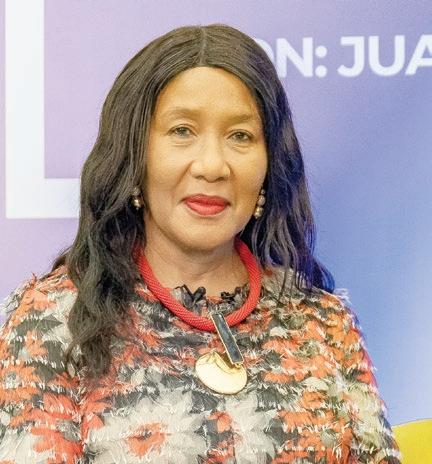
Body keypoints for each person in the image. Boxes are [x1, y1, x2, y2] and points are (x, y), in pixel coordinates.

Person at [0, 23, 401, 464]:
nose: (212, 165)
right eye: (182, 131)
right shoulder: (52, 320)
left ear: (269, 164)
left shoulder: (323, 322)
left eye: (240, 136)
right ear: (134, 155)